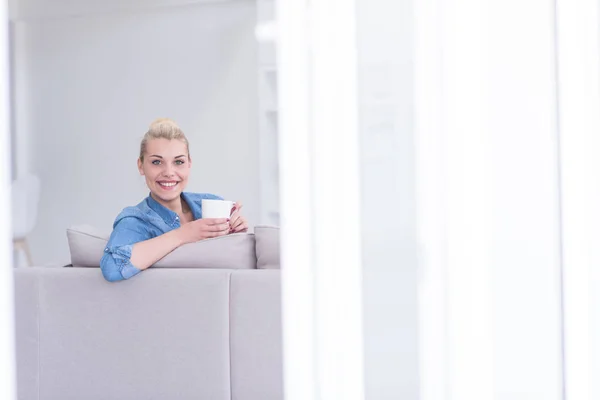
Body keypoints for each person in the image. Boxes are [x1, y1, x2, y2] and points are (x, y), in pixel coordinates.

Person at [100, 118, 248, 282]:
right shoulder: (136, 220)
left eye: (178, 162)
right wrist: (183, 235)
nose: (169, 172)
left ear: (189, 164)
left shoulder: (209, 202)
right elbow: (112, 268)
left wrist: (236, 231)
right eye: (157, 162)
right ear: (141, 166)